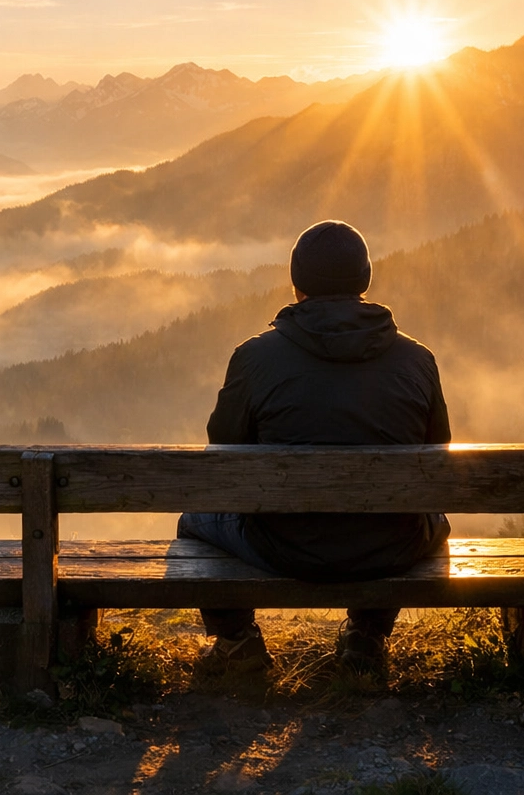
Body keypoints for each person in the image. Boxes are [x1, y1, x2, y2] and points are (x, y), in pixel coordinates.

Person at [178, 220, 451, 679]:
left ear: (297, 282)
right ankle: (366, 637)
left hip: (285, 546)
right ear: (365, 279)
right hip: (391, 546)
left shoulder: (255, 358)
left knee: (195, 519)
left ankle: (236, 641)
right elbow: (437, 457)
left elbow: (222, 456)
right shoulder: (417, 360)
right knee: (430, 521)